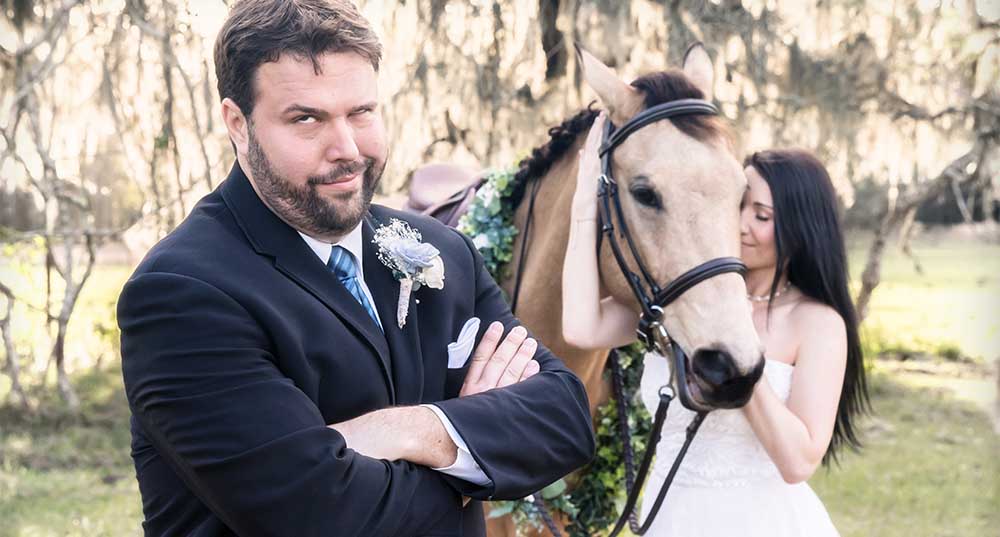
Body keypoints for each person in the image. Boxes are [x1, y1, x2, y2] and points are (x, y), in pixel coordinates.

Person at [117, 1, 595, 536]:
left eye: (361, 112)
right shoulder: (182, 293)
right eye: (306, 118)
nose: (346, 150)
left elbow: (564, 419)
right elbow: (316, 515)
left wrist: (414, 430)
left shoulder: (441, 252)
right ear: (238, 123)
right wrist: (477, 460)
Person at [562, 114, 868, 536]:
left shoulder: (816, 323)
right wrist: (583, 208)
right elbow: (582, 327)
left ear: (800, 231)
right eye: (738, 204)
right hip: (669, 521)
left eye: (760, 215)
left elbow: (798, 462)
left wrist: (734, 349)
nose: (740, 223)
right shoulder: (682, 301)